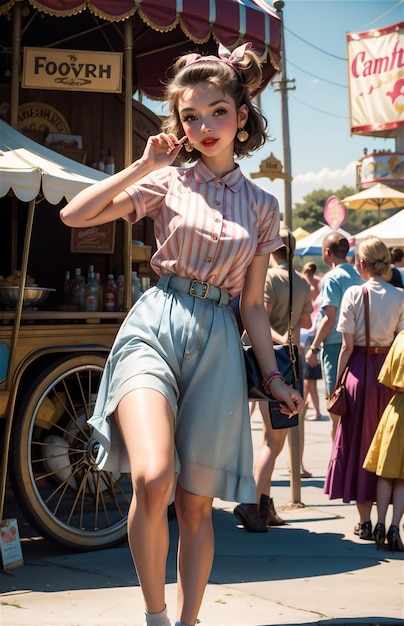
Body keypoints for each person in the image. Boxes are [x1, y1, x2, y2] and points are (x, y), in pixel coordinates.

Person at [60, 42, 304, 626]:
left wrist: (273, 377)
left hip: (220, 339)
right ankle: (154, 616)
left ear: (242, 116)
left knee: (195, 505)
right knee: (152, 477)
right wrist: (146, 165)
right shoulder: (167, 182)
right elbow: (75, 214)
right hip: (156, 325)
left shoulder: (263, 205)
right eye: (190, 116)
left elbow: (252, 306)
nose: (203, 126)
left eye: (217, 111)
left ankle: (188, 620)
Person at [323, 236, 404, 541]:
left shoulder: (354, 294)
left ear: (361, 264)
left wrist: (336, 383)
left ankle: (365, 520)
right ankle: (388, 517)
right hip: (389, 378)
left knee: (357, 444)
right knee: (386, 448)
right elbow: (401, 344)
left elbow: (345, 346)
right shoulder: (399, 296)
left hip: (358, 372)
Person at [234, 228, 312, 532]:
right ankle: (263, 503)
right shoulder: (302, 281)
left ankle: (252, 503)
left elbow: (258, 316)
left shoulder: (267, 278)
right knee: (277, 437)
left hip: (271, 363)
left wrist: (278, 339)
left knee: (271, 438)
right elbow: (305, 322)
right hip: (291, 363)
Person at [305, 232, 363, 440]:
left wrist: (314, 347)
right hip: (357, 345)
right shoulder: (357, 275)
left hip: (334, 348)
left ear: (327, 252)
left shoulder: (331, 278)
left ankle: (338, 463)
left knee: (336, 409)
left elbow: (329, 318)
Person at [363, 330, 404, 553]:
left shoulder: (400, 338)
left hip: (396, 408)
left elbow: (387, 378)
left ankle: (379, 522)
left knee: (386, 472)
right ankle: (395, 527)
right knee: (403, 478)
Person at [301, 262, 323, 421]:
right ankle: (309, 407)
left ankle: (314, 410)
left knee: (309, 381)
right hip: (311, 336)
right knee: (308, 382)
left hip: (309, 337)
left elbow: (310, 323)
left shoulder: (306, 290)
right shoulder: (315, 289)